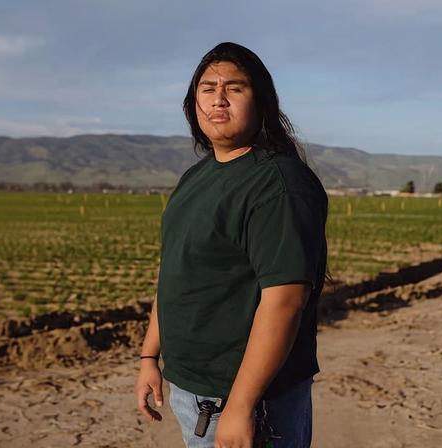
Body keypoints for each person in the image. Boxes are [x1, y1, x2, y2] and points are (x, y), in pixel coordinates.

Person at [135, 41, 328, 448]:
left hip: (249, 401)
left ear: (262, 103)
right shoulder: (196, 177)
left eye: (235, 88)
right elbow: (175, 273)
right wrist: (150, 356)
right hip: (194, 390)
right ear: (193, 104)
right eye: (207, 88)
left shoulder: (277, 184)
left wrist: (240, 406)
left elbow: (285, 301)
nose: (218, 98)